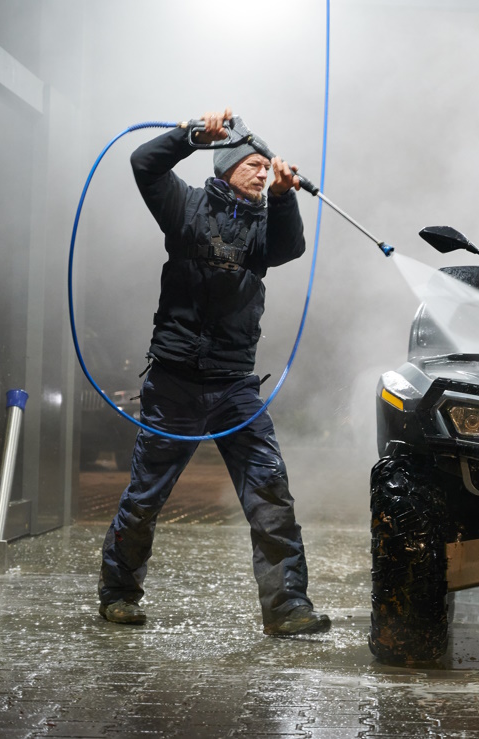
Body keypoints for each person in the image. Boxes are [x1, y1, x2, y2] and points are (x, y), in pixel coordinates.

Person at [97, 107, 330, 636]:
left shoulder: (264, 223)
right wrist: (189, 136)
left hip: (234, 386)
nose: (262, 172)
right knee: (146, 495)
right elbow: (143, 164)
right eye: (253, 164)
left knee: (270, 492)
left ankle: (288, 607)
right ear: (225, 166)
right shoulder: (185, 207)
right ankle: (118, 594)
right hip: (175, 381)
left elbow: (290, 248)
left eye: (266, 168)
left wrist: (286, 194)